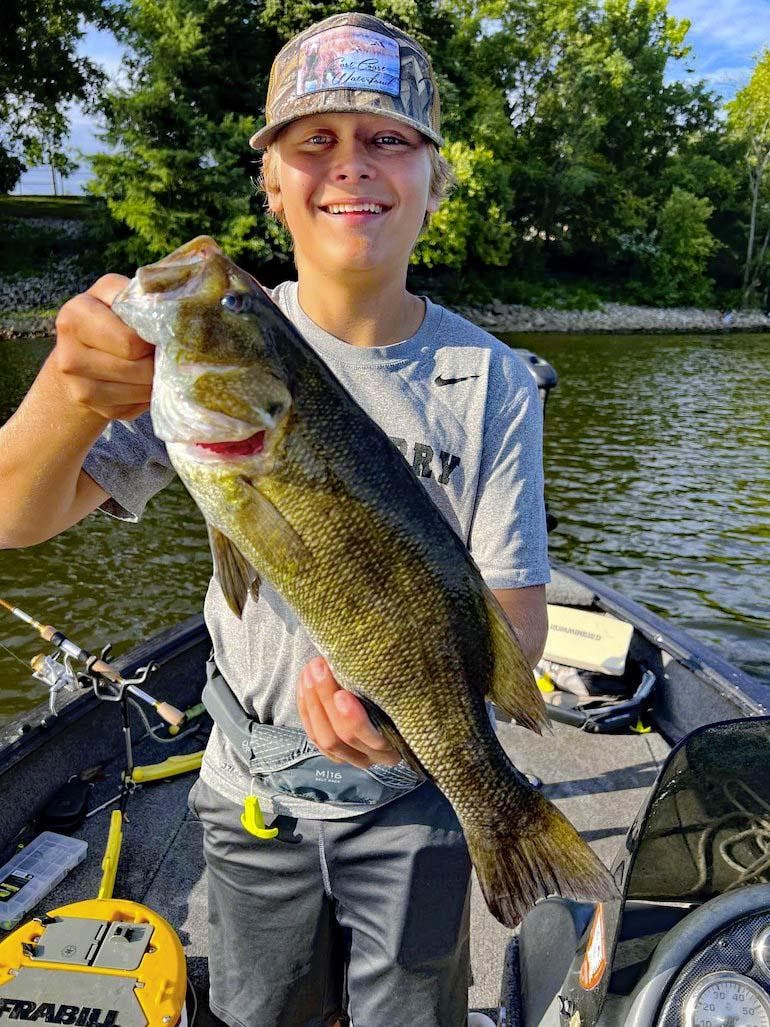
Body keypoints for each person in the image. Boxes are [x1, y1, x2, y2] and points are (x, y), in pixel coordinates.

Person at [0, 12, 549, 1027]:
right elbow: (14, 514)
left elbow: (512, 624)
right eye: (314, 142)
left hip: (419, 793)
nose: (351, 166)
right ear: (271, 185)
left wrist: (409, 732)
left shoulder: (492, 381)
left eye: (388, 139)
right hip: (247, 787)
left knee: (412, 1011)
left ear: (434, 182)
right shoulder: (202, 377)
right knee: (262, 1008)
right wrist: (71, 394)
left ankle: (498, 815)